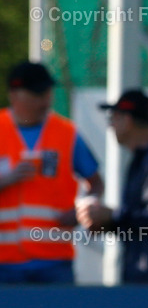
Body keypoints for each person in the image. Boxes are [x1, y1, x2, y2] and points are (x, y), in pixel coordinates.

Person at [76, 89, 148, 283]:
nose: (111, 126)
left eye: (113, 118)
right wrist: (109, 223)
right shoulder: (144, 160)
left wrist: (112, 216)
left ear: (127, 120)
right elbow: (144, 223)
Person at [0, 61, 103, 283]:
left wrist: (83, 209)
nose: (45, 100)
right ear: (14, 95)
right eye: (37, 93)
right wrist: (7, 180)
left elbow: (96, 182)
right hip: (4, 263)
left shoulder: (67, 133)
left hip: (54, 262)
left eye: (47, 92)